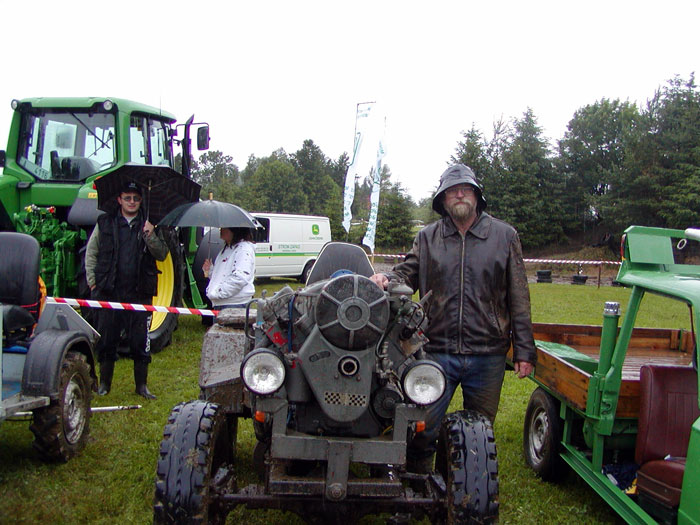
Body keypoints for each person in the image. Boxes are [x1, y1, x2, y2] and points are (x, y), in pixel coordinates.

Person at [370, 164, 537, 473]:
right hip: (435, 352)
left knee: (479, 431)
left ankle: (463, 486)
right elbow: (406, 274)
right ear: (443, 200)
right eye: (452, 191)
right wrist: (387, 278)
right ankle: (418, 482)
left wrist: (525, 351)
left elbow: (519, 296)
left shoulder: (504, 236)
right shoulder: (427, 238)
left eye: (466, 189)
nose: (460, 195)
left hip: (487, 354)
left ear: (476, 196)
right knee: (422, 429)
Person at [85, 181, 168, 399]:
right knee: (107, 340)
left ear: (141, 201)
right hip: (109, 292)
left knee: (140, 341)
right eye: (127, 198)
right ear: (119, 200)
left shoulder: (150, 225)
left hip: (139, 294)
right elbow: (91, 253)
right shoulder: (105, 223)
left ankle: (141, 386)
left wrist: (150, 235)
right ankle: (104, 385)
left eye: (136, 198)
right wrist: (93, 282)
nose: (132, 202)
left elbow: (162, 254)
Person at [202, 227, 256, 310]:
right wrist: (210, 271)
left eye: (225, 228)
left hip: (234, 304)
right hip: (223, 303)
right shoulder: (226, 249)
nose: (221, 230)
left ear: (235, 230)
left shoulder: (243, 250)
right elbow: (223, 276)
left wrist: (217, 293)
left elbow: (240, 278)